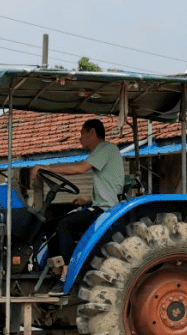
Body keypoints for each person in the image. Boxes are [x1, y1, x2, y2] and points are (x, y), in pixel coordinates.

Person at [30, 118, 123, 288]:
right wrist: (86, 200)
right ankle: (55, 270)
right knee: (50, 225)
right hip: (100, 205)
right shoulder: (105, 152)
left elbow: (79, 168)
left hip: (105, 211)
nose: (80, 139)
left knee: (65, 225)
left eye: (82, 134)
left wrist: (46, 168)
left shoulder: (106, 148)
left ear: (92, 133)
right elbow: (110, 186)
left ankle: (66, 273)